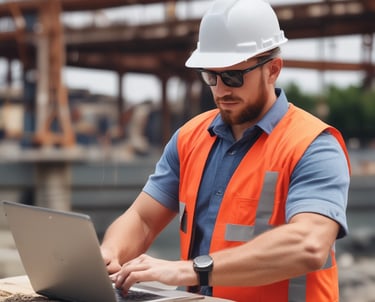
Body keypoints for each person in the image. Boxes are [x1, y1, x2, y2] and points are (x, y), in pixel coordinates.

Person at [100, 0, 351, 301]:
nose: (220, 90)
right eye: (211, 76)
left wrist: (190, 271)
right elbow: (142, 218)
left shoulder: (314, 145)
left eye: (233, 76)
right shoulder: (190, 138)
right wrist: (108, 255)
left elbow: (309, 244)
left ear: (273, 70)